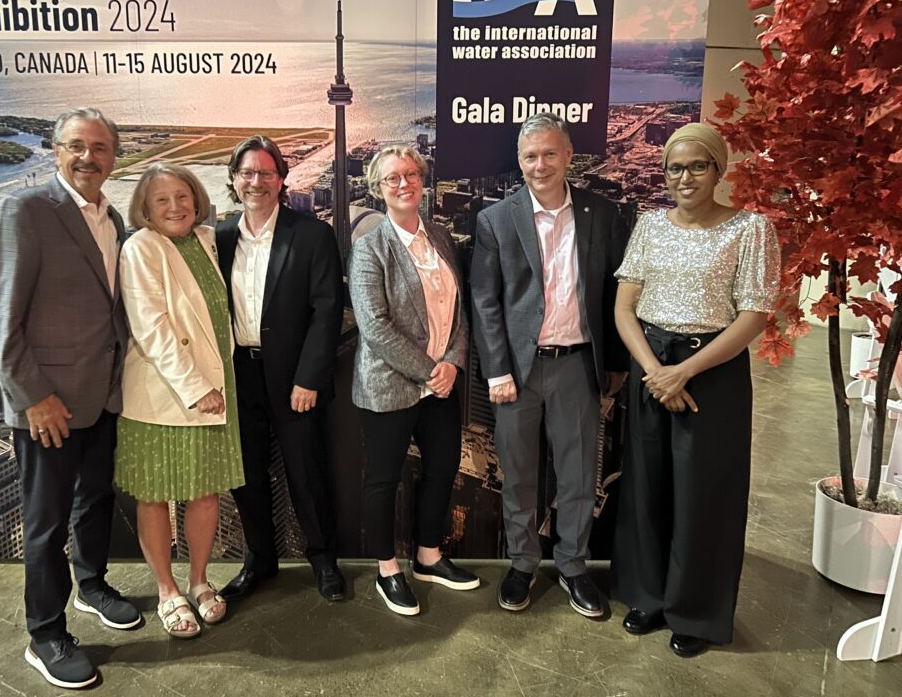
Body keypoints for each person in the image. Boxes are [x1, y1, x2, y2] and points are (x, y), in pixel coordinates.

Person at [0, 107, 140, 689]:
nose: (88, 157)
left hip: (101, 397)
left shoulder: (112, 218)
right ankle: (45, 632)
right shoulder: (24, 211)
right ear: (55, 150)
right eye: (76, 145)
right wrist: (33, 397)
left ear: (114, 157)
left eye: (99, 147)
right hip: (48, 405)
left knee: (94, 501)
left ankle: (92, 586)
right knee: (45, 523)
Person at [611, 123, 779, 657]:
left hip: (714, 371)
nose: (685, 177)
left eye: (697, 166)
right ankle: (649, 597)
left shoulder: (751, 230)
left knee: (706, 495)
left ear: (718, 169)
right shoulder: (649, 225)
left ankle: (697, 613)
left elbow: (754, 316)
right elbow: (624, 307)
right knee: (647, 487)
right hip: (651, 365)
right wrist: (656, 371)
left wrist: (685, 372)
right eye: (674, 168)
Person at [470, 112, 628, 617]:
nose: (540, 164)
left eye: (549, 153)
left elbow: (614, 295)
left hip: (579, 366)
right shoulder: (495, 220)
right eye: (530, 156)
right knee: (517, 473)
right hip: (518, 370)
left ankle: (574, 565)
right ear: (519, 162)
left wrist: (617, 365)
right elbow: (485, 301)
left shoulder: (603, 214)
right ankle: (522, 562)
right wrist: (496, 370)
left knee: (579, 473)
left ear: (568, 155)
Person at [116, 163, 246, 638]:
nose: (175, 206)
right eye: (161, 200)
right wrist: (197, 389)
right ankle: (167, 590)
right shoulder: (141, 247)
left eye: (182, 196)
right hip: (163, 393)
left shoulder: (209, 239)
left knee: (204, 491)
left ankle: (198, 580)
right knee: (155, 496)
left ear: (197, 199)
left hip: (216, 386)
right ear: (145, 209)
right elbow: (152, 329)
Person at [348, 145, 479, 616]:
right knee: (383, 481)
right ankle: (387, 569)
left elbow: (461, 310)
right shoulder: (370, 247)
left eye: (411, 174)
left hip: (441, 384)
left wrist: (454, 365)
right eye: (392, 179)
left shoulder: (441, 237)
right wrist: (431, 370)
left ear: (423, 180)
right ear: (377, 188)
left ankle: (428, 556)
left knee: (442, 468)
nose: (403, 184)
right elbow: (375, 326)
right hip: (390, 385)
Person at [215, 136, 346, 602]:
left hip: (293, 378)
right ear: (234, 180)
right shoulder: (221, 236)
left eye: (265, 173)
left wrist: (308, 377)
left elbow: (327, 310)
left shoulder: (310, 235)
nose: (256, 182)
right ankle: (260, 560)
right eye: (246, 173)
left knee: (304, 470)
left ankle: (323, 558)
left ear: (281, 179)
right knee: (246, 472)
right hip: (239, 374)